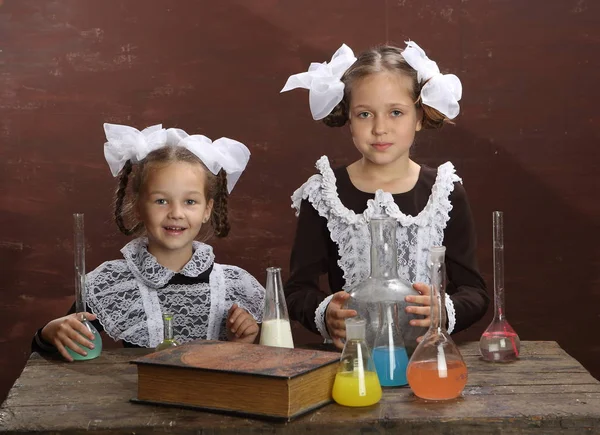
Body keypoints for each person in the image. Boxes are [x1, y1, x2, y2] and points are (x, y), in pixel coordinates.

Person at [281, 41, 489, 348]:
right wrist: (327, 314)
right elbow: (298, 290)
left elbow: (475, 291)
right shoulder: (324, 194)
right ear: (348, 118)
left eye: (395, 112)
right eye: (365, 114)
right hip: (353, 365)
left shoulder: (444, 193)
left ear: (419, 117)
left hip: (427, 361)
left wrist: (442, 310)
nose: (380, 128)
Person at [32, 124, 265, 361]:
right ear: (139, 206)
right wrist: (49, 333)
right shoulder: (110, 284)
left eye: (190, 202)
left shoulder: (236, 286)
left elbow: (260, 367)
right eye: (161, 201)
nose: (176, 213)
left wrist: (241, 344)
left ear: (208, 209)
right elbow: (61, 350)